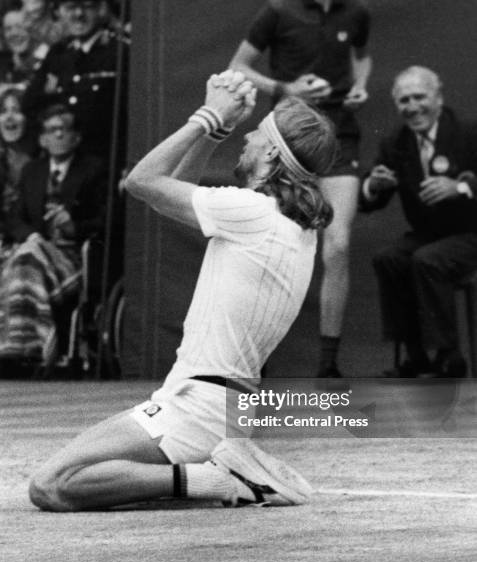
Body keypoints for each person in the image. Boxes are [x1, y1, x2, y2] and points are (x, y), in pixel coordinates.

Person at [28, 70, 338, 511]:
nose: (246, 138)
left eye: (256, 133)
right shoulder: (285, 222)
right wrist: (219, 131)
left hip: (200, 410)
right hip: (214, 405)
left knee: (52, 485)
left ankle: (218, 480)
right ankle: (220, 474)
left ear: (271, 150)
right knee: (62, 479)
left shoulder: (251, 211)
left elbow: (141, 182)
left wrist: (208, 116)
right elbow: (167, 195)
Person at [229, 0, 372, 377]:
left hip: (340, 134)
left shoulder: (355, 13)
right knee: (270, 242)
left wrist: (360, 84)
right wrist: (286, 87)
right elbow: (237, 66)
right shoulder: (278, 11)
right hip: (289, 136)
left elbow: (362, 58)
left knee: (338, 244)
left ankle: (328, 365)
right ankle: (254, 360)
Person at [360, 66, 477, 377]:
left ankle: (449, 355)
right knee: (389, 259)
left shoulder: (468, 132)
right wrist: (374, 185)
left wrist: (461, 188)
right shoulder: (395, 142)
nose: (412, 107)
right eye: (404, 101)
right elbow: (370, 198)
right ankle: (415, 355)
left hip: (470, 232)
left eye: (419, 97)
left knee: (427, 260)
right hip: (429, 233)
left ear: (438, 98)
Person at [0, 103, 105, 375]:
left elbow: (107, 221)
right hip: (34, 251)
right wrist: (32, 235)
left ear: (76, 136)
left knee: (23, 259)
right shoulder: (32, 171)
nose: (58, 135)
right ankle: (24, 347)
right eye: (51, 130)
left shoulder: (94, 170)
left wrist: (74, 226)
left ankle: (24, 348)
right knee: (26, 258)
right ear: (42, 139)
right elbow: (13, 218)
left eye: (63, 129)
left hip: (70, 260)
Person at [22, 0, 129, 166]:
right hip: (62, 165)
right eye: (71, 7)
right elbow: (30, 105)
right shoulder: (57, 54)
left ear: (101, 9)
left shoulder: (120, 52)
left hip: (104, 165)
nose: (78, 14)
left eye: (87, 6)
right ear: (59, 12)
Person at [0, 87, 33, 257]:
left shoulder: (41, 158)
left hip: (28, 239)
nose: (9, 117)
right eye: (3, 110)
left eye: (16, 110)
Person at [0, 6, 49, 91]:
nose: (14, 33)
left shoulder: (50, 59)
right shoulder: (3, 62)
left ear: (33, 29)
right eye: (8, 29)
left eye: (20, 27)